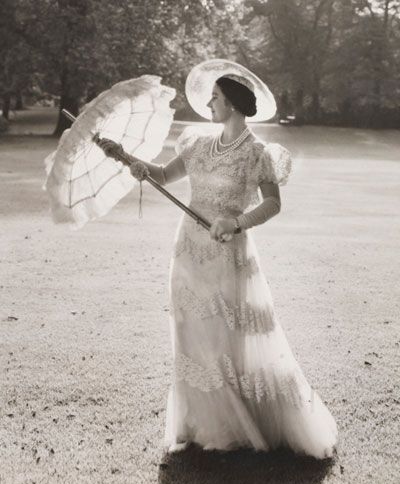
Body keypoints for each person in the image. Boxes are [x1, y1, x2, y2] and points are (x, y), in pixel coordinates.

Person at [98, 61, 338, 460]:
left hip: (228, 254)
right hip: (188, 251)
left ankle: (235, 423)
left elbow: (274, 204)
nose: (209, 103)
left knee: (225, 339)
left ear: (233, 105)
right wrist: (126, 158)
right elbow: (161, 173)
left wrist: (237, 222)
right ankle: (199, 425)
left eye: (215, 98)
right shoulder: (196, 144)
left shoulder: (257, 155)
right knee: (191, 334)